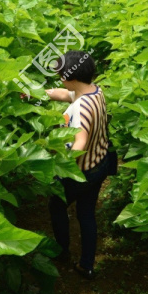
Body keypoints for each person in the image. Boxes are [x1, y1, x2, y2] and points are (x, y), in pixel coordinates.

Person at [46, 50, 116, 280]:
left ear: (71, 77)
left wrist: (60, 168)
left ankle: (62, 250)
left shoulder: (82, 108)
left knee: (56, 204)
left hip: (81, 172)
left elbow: (80, 142)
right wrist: (36, 94)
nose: (59, 77)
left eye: (61, 74)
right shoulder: (93, 92)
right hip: (100, 164)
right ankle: (86, 265)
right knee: (86, 213)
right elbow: (65, 95)